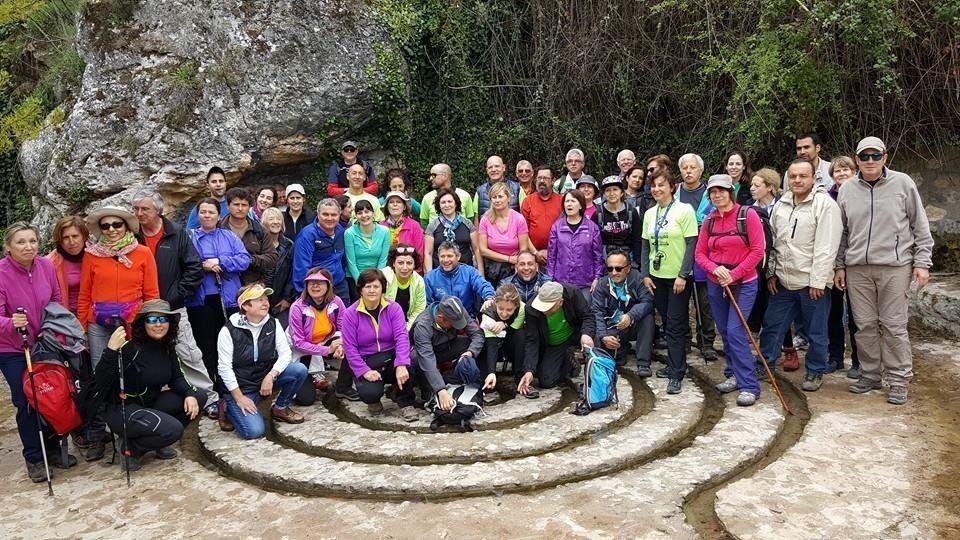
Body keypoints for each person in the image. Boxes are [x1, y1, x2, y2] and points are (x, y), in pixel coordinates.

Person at [836, 136, 933, 405]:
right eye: (864, 156)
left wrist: (922, 262)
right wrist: (839, 265)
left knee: (894, 325)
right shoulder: (846, 190)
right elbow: (842, 232)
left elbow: (920, 226)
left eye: (874, 156)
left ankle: (899, 380)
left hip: (895, 266)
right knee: (864, 325)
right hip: (857, 269)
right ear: (856, 159)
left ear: (884, 157)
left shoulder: (903, 183)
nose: (870, 161)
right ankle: (870, 374)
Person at [132, 189, 218, 418]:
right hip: (139, 310)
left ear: (158, 211)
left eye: (145, 209)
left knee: (188, 352)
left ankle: (209, 398)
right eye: (136, 209)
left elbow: (193, 268)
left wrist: (176, 296)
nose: (139, 214)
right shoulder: (130, 236)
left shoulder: (177, 234)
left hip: (172, 307)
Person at [757, 159, 842, 392]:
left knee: (816, 332)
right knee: (772, 326)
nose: (797, 180)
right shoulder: (782, 205)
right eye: (793, 176)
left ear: (814, 178)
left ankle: (815, 371)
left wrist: (818, 281)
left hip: (811, 284)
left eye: (802, 176)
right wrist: (771, 273)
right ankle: (765, 365)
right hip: (783, 282)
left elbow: (826, 247)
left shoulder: (824, 205)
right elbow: (773, 243)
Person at [94, 300, 206, 471]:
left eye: (163, 320)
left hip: (149, 402)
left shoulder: (166, 347)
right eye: (152, 320)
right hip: (123, 409)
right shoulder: (129, 349)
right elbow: (100, 381)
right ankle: (131, 449)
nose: (158, 325)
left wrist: (190, 393)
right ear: (143, 324)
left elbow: (177, 378)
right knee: (173, 430)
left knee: (199, 396)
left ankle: (154, 439)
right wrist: (110, 351)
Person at [0, 222, 72, 482]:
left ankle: (51, 448)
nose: (28, 246)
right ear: (8, 246)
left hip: (44, 342)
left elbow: (55, 299)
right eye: (21, 242)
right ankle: (34, 456)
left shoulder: (45, 265)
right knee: (26, 400)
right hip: (13, 349)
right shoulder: (1, 272)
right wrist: (10, 323)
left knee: (50, 393)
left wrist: (54, 327)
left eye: (32, 241)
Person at [695, 175, 766, 406]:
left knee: (736, 331)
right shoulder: (709, 221)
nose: (717, 195)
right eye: (713, 191)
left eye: (722, 190)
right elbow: (700, 254)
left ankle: (749, 385)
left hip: (744, 283)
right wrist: (717, 270)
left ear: (730, 191)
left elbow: (757, 251)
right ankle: (732, 374)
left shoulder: (748, 215)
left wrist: (734, 274)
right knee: (724, 331)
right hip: (716, 283)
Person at [217, 283, 308, 438]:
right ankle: (227, 407)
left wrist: (271, 375)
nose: (265, 302)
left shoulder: (273, 322)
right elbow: (224, 368)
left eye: (266, 298)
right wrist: (239, 398)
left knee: (299, 370)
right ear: (245, 305)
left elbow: (285, 353)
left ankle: (280, 407)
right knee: (254, 431)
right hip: (242, 387)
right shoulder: (228, 331)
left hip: (264, 377)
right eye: (259, 299)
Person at [78, 206, 160, 370]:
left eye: (117, 224)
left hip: (133, 321)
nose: (111, 229)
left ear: (126, 226)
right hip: (98, 321)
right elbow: (84, 294)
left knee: (134, 366)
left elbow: (151, 293)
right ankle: (104, 397)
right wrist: (82, 328)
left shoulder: (143, 253)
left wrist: (151, 321)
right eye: (105, 226)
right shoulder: (91, 255)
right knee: (101, 368)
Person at [639, 171, 698, 394]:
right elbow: (645, 245)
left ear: (672, 187)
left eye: (661, 185)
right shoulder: (650, 213)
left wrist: (683, 275)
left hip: (678, 279)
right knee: (667, 321)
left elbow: (691, 244)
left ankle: (676, 373)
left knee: (674, 324)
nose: (656, 190)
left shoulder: (685, 210)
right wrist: (645, 274)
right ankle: (677, 363)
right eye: (653, 186)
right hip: (656, 277)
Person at [186, 198, 251, 388]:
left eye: (211, 212)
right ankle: (210, 389)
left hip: (228, 299)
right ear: (198, 215)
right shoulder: (189, 237)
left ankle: (229, 386)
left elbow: (244, 260)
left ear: (219, 215)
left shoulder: (229, 237)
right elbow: (183, 263)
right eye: (203, 212)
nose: (207, 215)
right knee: (205, 346)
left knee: (228, 344)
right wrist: (203, 266)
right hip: (200, 299)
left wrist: (220, 262)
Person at [341, 269, 418, 421]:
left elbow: (402, 337)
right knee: (370, 393)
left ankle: (406, 402)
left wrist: (401, 363)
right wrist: (364, 371)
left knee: (412, 362)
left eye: (376, 286)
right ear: (360, 289)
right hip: (367, 360)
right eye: (367, 286)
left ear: (383, 288)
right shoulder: (350, 314)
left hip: (390, 356)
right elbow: (349, 348)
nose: (372, 290)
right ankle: (374, 400)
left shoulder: (393, 308)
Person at [517, 281, 596, 394]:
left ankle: (597, 376)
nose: (544, 310)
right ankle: (568, 359)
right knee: (546, 381)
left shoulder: (573, 294)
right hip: (555, 343)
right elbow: (532, 340)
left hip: (576, 333)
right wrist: (529, 370)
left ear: (560, 302)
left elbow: (588, 316)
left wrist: (586, 334)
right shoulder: (531, 308)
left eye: (548, 307)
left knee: (593, 338)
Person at [410, 296, 487, 412]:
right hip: (425, 353)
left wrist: (470, 352)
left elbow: (477, 334)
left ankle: (454, 377)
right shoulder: (423, 326)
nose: (458, 326)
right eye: (454, 324)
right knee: (416, 358)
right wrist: (440, 390)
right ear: (440, 318)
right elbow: (427, 359)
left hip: (448, 346)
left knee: (478, 345)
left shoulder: (457, 312)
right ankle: (428, 391)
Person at [676, 153, 718, 361]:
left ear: (701, 171)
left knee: (705, 300)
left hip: (704, 255)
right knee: (681, 301)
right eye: (685, 168)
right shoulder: (674, 194)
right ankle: (684, 340)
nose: (688, 171)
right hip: (679, 253)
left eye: (693, 168)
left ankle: (707, 341)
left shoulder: (710, 195)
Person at [591, 250, 655, 374]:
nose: (614, 273)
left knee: (648, 319)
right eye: (610, 269)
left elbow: (648, 303)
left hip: (634, 324)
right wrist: (603, 336)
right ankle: (622, 349)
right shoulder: (602, 284)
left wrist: (631, 316)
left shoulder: (638, 279)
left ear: (628, 268)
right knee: (602, 342)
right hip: (614, 326)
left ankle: (643, 363)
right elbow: (596, 311)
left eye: (618, 269)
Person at [287, 268, 346, 400]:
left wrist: (341, 345)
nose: (315, 286)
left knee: (350, 351)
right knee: (306, 399)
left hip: (325, 340)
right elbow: (298, 343)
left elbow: (345, 329)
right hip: (302, 350)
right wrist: (327, 350)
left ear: (329, 285)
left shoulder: (336, 302)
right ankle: (309, 375)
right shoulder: (297, 307)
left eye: (320, 282)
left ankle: (344, 387)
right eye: (311, 282)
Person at [826, 156, 860, 378]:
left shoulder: (861, 194)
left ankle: (859, 360)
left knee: (857, 316)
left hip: (856, 261)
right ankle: (836, 357)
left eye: (846, 169)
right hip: (832, 263)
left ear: (854, 171)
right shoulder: (827, 197)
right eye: (837, 171)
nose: (842, 173)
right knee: (833, 312)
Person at [547, 190, 605, 303]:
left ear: (580, 205)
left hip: (585, 282)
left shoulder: (592, 227)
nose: (569, 204)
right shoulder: (557, 227)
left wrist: (597, 278)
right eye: (567, 201)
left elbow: (598, 256)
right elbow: (551, 255)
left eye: (573, 201)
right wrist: (550, 278)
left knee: (584, 314)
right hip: (561, 281)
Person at [293, 198, 350, 305]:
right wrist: (304, 293)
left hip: (339, 285)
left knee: (343, 319)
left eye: (333, 215)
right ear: (318, 214)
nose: (330, 218)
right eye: (325, 214)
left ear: (339, 215)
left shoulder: (341, 232)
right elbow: (301, 268)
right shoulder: (307, 235)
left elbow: (343, 259)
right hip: (317, 288)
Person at [220, 187, 278, 285]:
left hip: (253, 285)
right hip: (224, 283)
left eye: (244, 205)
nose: (240, 208)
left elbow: (272, 257)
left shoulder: (259, 230)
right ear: (228, 206)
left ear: (249, 207)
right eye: (236, 204)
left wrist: (249, 261)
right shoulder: (218, 228)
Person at [478, 182, 531, 286]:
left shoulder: (519, 219)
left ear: (508, 198)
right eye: (494, 197)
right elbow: (483, 250)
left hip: (513, 268)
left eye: (500, 196)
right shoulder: (485, 219)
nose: (497, 200)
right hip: (492, 269)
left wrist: (517, 265)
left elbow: (524, 249)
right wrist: (507, 258)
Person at [424, 241, 495, 317]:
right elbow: (429, 305)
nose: (445, 260)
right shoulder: (430, 278)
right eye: (442, 256)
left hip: (467, 317)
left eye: (449, 256)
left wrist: (489, 297)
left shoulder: (470, 272)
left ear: (458, 257)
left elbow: (483, 285)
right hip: (442, 320)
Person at [424, 189, 481, 272]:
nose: (447, 205)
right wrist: (429, 276)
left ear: (456, 204)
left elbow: (476, 250)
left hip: (466, 272)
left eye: (450, 202)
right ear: (439, 206)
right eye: (443, 202)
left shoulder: (467, 224)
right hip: (441, 273)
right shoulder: (432, 226)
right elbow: (428, 253)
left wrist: (480, 274)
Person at [480, 284, 526, 381]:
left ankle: (519, 376)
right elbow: (491, 343)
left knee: (521, 334)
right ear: (495, 302)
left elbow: (512, 331)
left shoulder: (522, 308)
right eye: (500, 309)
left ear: (516, 306)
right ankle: (488, 374)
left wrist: (504, 324)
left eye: (509, 310)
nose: (504, 313)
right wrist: (491, 372)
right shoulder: (487, 312)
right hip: (493, 347)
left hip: (511, 345)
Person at [521, 166, 564, 266]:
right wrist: (535, 252)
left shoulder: (562, 201)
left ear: (553, 181)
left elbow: (565, 231)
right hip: (533, 256)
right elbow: (523, 232)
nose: (541, 181)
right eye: (539, 178)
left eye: (545, 178)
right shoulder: (528, 201)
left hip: (559, 255)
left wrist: (552, 252)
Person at [260, 207, 296, 325]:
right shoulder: (257, 244)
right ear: (264, 223)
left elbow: (293, 273)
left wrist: (287, 298)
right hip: (260, 297)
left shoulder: (289, 245)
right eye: (271, 219)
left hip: (281, 299)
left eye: (278, 219)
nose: (276, 222)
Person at [47, 215, 88, 315]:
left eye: (75, 236)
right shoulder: (50, 263)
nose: (71, 242)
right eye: (65, 238)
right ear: (59, 241)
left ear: (84, 236)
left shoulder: (96, 254)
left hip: (93, 312)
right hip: (67, 314)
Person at [344, 200, 390, 284]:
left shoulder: (385, 232)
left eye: (367, 212)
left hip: (377, 276)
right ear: (356, 216)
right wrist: (361, 283)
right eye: (360, 213)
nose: (364, 215)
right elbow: (351, 263)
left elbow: (383, 260)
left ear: (373, 213)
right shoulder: (349, 233)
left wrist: (377, 280)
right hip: (355, 277)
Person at [593, 175, 640, 257]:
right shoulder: (598, 214)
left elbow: (637, 239)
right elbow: (594, 240)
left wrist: (637, 261)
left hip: (628, 255)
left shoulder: (631, 212)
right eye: (608, 190)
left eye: (615, 189)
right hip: (605, 256)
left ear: (622, 193)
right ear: (604, 193)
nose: (612, 193)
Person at [382, 244, 426, 328]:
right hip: (384, 324)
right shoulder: (383, 277)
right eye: (400, 263)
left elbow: (419, 309)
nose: (405, 267)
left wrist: (407, 327)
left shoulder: (419, 281)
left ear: (414, 265)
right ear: (393, 263)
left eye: (409, 263)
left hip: (407, 324)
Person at [419, 163, 476, 227]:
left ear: (445, 176)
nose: (431, 178)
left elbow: (470, 219)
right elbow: (424, 222)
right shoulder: (427, 198)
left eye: (433, 175)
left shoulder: (465, 195)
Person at [381, 190, 425, 268]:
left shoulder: (414, 226)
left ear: (404, 207)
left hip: (409, 270)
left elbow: (419, 252)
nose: (395, 204)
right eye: (391, 202)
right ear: (387, 207)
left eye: (398, 202)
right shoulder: (381, 226)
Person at [474, 155, 520, 219]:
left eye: (497, 166)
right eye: (490, 167)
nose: (493, 169)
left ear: (503, 168)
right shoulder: (480, 191)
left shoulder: (517, 188)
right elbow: (476, 219)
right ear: (487, 170)